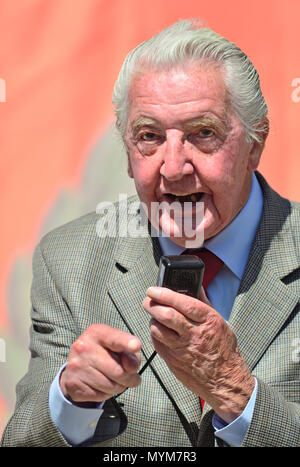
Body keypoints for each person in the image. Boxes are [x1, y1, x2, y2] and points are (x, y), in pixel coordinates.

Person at [1, 19, 299, 448]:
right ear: (126, 153)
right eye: (149, 137)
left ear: (255, 144)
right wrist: (70, 402)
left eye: (203, 133)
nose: (173, 167)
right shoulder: (66, 259)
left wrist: (236, 391)